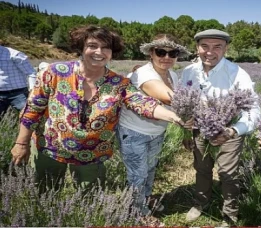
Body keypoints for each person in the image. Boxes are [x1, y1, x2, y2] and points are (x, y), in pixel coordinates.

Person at [10, 25, 183, 195]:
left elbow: (142, 103)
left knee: (90, 197)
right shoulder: (55, 72)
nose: (99, 52)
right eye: (92, 46)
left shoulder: (119, 83)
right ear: (82, 47)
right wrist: (21, 143)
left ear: (112, 52)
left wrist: (173, 116)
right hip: (50, 147)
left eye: (106, 48)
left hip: (92, 154)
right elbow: (33, 109)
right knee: (45, 193)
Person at [181, 29, 261, 226]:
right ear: (197, 48)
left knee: (228, 173)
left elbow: (253, 111)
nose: (210, 52)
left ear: (226, 48)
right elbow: (184, 101)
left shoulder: (237, 74)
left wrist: (232, 131)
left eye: (217, 46)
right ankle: (201, 202)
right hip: (199, 129)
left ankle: (229, 215)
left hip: (229, 129)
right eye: (204, 46)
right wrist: (186, 128)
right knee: (201, 167)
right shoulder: (188, 72)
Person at [117, 34, 190, 216]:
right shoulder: (143, 73)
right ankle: (136, 212)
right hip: (134, 132)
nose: (166, 57)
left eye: (172, 53)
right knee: (137, 175)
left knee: (150, 170)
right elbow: (169, 97)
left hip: (157, 131)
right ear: (151, 53)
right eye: (161, 52)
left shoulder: (172, 74)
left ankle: (146, 198)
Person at [0, 41, 36, 116]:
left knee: (28, 116)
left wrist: (32, 91)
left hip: (18, 94)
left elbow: (31, 73)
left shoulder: (15, 55)